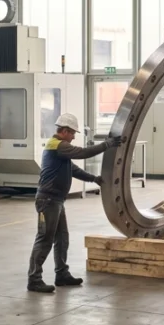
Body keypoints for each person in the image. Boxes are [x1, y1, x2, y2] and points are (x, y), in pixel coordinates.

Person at [28, 113, 122, 293]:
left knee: (62, 238)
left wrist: (94, 178)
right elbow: (83, 153)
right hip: (48, 200)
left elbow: (73, 169)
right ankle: (34, 279)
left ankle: (62, 274)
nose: (73, 137)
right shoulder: (58, 145)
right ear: (64, 131)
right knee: (45, 239)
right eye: (72, 133)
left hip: (56, 200)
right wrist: (107, 144)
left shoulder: (60, 149)